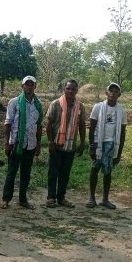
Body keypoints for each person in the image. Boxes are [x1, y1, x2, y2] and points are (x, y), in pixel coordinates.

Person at [2, 76, 43, 210]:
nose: (29, 87)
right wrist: (7, 143)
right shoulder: (14, 102)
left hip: (30, 144)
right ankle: (6, 199)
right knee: (11, 172)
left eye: (32, 85)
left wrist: (38, 144)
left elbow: (39, 125)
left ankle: (23, 199)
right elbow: (8, 123)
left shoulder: (39, 104)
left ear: (35, 87)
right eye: (27, 85)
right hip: (16, 143)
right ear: (22, 86)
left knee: (26, 173)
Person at [46, 78, 86, 208]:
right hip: (57, 145)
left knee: (65, 174)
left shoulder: (80, 106)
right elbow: (49, 124)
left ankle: (61, 198)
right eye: (68, 88)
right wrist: (51, 141)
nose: (70, 91)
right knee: (53, 172)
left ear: (76, 90)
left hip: (70, 147)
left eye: (73, 89)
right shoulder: (55, 104)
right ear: (64, 89)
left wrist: (81, 143)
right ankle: (51, 197)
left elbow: (82, 126)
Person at [87, 83, 127, 210]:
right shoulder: (98, 107)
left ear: (119, 95)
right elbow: (92, 127)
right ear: (106, 93)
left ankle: (105, 199)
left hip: (111, 144)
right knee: (94, 169)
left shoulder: (121, 110)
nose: (113, 93)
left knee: (108, 172)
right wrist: (92, 145)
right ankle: (92, 198)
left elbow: (122, 132)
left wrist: (119, 153)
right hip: (99, 142)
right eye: (111, 91)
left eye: (116, 92)